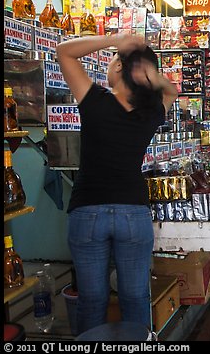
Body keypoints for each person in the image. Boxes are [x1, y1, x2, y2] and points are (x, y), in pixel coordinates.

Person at [56, 34, 179, 334]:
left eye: (113, 59)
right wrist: (150, 75)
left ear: (121, 68)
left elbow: (64, 52)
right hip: (133, 213)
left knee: (92, 298)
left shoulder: (94, 100)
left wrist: (114, 38)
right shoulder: (148, 114)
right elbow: (172, 90)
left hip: (87, 212)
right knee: (136, 297)